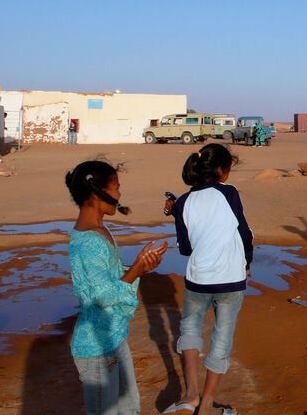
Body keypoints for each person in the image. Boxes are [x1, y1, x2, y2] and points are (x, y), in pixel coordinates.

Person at [65, 159, 167, 415]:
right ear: (97, 193)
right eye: (116, 188)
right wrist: (136, 270)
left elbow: (110, 279)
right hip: (97, 348)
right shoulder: (88, 241)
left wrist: (140, 267)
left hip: (114, 338)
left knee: (129, 408)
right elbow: (102, 295)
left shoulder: (101, 230)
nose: (120, 195)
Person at [164, 143, 253, 415]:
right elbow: (244, 232)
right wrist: (246, 262)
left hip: (198, 279)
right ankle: (206, 404)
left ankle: (190, 395)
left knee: (190, 329)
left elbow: (186, 248)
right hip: (231, 279)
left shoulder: (182, 202)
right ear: (221, 170)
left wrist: (176, 211)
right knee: (222, 338)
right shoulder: (229, 193)